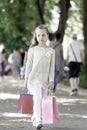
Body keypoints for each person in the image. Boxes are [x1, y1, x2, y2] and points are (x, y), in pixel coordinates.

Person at [24, 25, 55, 129]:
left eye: (43, 35)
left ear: (47, 36)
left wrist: (51, 80)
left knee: (42, 99)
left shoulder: (51, 51)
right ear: (36, 37)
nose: (41, 37)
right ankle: (38, 120)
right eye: (38, 35)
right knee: (37, 98)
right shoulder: (33, 50)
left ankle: (34, 116)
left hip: (45, 80)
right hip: (34, 79)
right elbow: (28, 65)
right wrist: (26, 78)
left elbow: (52, 68)